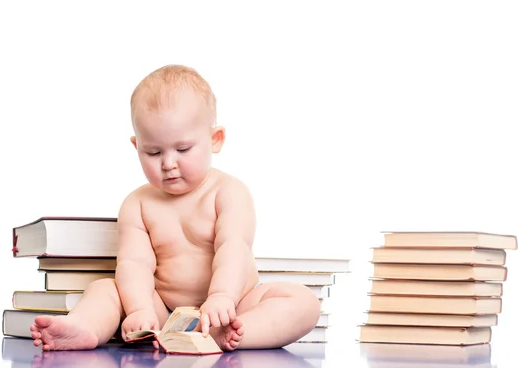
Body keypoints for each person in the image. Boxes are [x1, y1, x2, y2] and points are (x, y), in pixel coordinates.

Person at [30, 64, 321, 351]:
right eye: (153, 152)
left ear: (214, 139)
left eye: (183, 150)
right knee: (104, 289)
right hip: (163, 312)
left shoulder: (229, 192)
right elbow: (134, 263)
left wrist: (222, 297)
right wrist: (140, 309)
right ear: (136, 146)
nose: (168, 163)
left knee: (302, 302)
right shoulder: (137, 204)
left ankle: (233, 336)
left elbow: (233, 248)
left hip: (232, 306)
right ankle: (84, 327)